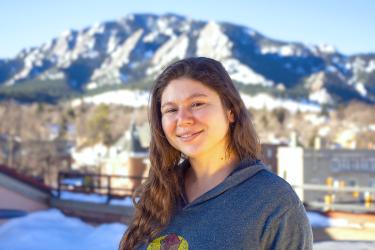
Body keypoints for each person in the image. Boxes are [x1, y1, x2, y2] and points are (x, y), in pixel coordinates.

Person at [119, 57, 313, 250]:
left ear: (230, 111)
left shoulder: (274, 202)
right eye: (171, 109)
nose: (182, 119)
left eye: (197, 104)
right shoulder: (159, 192)